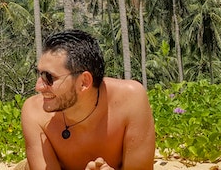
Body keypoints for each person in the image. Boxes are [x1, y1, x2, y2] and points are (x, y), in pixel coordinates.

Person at [20, 30, 156, 170]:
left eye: (49, 77)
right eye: (39, 74)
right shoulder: (34, 112)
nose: (38, 87)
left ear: (84, 82)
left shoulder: (130, 100)